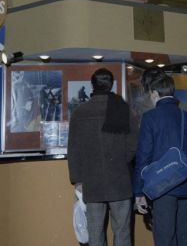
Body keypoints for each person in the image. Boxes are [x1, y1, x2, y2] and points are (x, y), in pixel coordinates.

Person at [134, 71, 187, 246]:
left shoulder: (150, 118)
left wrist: (139, 192)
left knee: (165, 239)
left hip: (163, 187)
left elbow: (143, 157)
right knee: (184, 238)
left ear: (154, 93)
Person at [68, 68, 137, 246]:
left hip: (92, 182)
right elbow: (132, 146)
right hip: (119, 180)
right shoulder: (122, 109)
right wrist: (121, 163)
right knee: (122, 231)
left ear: (92, 85)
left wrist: (78, 180)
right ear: (111, 84)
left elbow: (74, 149)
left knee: (95, 231)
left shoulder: (80, 112)